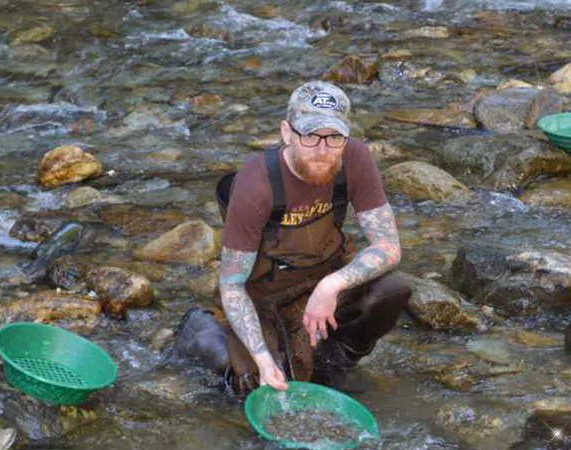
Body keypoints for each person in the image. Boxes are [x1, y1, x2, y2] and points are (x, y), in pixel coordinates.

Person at [173, 81, 410, 395]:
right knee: (259, 389)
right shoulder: (256, 185)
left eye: (334, 137)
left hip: (322, 274)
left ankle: (333, 362)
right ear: (286, 133)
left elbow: (389, 246)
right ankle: (202, 332)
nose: (323, 151)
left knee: (393, 290)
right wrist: (262, 360)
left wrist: (332, 284)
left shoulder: (355, 158)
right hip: (264, 294)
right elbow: (232, 285)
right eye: (310, 136)